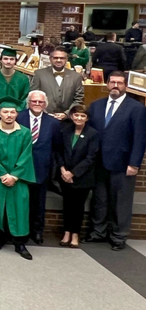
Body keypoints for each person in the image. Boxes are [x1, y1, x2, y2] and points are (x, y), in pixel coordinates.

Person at [85, 71, 146, 251]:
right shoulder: (96, 106)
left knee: (121, 201)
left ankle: (118, 236)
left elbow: (140, 139)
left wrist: (134, 163)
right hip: (98, 163)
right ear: (107, 84)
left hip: (123, 163)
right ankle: (98, 232)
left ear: (125, 86)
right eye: (112, 82)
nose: (115, 86)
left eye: (119, 83)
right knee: (100, 199)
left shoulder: (136, 108)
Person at [0, 97, 36, 260]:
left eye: (12, 112)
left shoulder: (25, 132)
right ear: (0, 114)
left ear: (17, 114)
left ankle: (20, 243)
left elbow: (26, 156)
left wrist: (14, 175)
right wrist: (3, 174)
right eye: (5, 112)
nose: (9, 115)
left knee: (19, 209)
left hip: (18, 178)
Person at [16, 90, 61, 245]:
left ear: (45, 104)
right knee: (20, 202)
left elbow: (56, 147)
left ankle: (37, 232)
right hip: (20, 168)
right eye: (34, 101)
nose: (37, 104)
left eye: (40, 102)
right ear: (28, 103)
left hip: (41, 169)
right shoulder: (18, 117)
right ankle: (19, 232)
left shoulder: (53, 123)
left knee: (38, 203)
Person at [53, 105, 99, 248]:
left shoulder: (93, 134)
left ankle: (75, 234)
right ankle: (66, 232)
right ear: (72, 116)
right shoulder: (65, 131)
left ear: (87, 118)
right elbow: (58, 152)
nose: (79, 118)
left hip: (82, 178)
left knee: (78, 207)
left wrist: (72, 173)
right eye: (76, 115)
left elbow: (91, 158)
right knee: (67, 205)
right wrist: (63, 170)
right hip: (64, 176)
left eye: (82, 116)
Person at [30, 47, 84, 120]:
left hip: (67, 120)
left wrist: (66, 114)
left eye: (62, 58)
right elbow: (33, 96)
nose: (58, 60)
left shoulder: (76, 76)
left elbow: (79, 99)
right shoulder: (39, 74)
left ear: (66, 59)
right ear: (50, 59)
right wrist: (45, 113)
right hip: (44, 118)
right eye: (55, 58)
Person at [0, 48, 29, 125]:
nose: (8, 61)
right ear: (0, 60)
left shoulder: (23, 79)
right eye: (5, 59)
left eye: (12, 59)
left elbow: (23, 100)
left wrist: (13, 114)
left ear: (15, 61)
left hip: (16, 118)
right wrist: (0, 113)